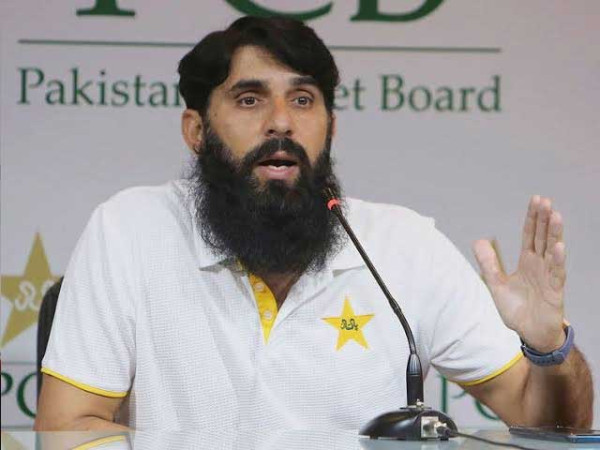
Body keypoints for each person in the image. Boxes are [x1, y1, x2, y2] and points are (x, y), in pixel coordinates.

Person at [35, 16, 593, 431]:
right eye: (249, 100)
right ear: (197, 131)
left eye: (303, 100)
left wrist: (548, 347)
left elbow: (546, 420)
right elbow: (67, 425)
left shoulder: (405, 246)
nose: (281, 122)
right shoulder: (130, 230)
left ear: (330, 127)